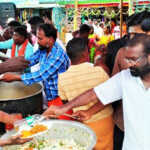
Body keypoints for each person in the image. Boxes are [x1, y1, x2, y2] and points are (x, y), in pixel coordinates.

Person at [43, 34, 150, 150]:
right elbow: (94, 94)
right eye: (127, 59)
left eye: (134, 59)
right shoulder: (125, 77)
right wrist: (65, 108)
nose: (129, 64)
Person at [56, 38, 114, 150]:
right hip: (104, 121)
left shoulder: (62, 78)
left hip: (82, 122)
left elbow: (66, 103)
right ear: (85, 53)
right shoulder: (99, 71)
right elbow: (110, 95)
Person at [1, 23, 70, 106]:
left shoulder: (58, 55)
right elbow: (31, 60)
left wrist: (15, 77)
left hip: (60, 98)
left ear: (50, 39)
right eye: (37, 37)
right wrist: (11, 65)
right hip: (49, 95)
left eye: (40, 38)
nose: (37, 41)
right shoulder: (44, 48)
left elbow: (41, 74)